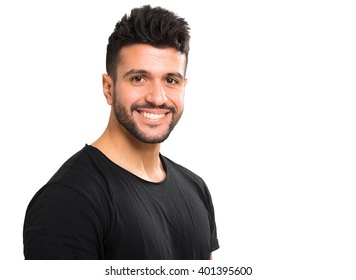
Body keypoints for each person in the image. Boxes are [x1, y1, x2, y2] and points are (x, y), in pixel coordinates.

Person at [23, 5, 219, 260]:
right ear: (108, 88)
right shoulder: (68, 200)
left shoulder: (196, 188)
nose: (157, 98)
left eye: (171, 80)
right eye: (138, 78)